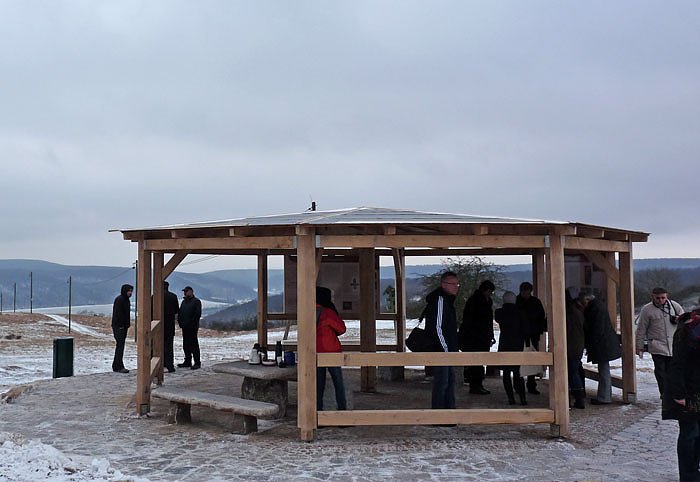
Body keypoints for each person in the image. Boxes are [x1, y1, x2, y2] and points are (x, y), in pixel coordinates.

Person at [662, 309, 700, 482]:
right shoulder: (688, 331)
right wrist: (679, 393)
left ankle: (694, 472)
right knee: (690, 433)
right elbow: (677, 364)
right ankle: (688, 476)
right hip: (688, 391)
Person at [636, 287, 685, 398]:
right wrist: (639, 346)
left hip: (673, 346)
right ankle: (664, 393)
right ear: (652, 296)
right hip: (657, 345)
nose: (661, 300)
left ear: (667, 296)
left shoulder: (674, 306)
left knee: (673, 371)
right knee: (660, 371)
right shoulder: (647, 309)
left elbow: (685, 321)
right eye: (658, 298)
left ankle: (673, 392)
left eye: (663, 297)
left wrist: (679, 319)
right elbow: (641, 329)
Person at [423, 271, 460, 410]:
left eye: (457, 284)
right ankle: (439, 413)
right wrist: (445, 349)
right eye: (453, 284)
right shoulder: (440, 300)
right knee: (442, 382)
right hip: (441, 351)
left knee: (450, 381)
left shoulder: (448, 301)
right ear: (444, 285)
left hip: (446, 350)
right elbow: (437, 327)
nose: (456, 287)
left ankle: (449, 412)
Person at [583, 293, 622, 405]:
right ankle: (604, 396)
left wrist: (591, 343)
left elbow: (597, 329)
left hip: (602, 345)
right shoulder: (599, 306)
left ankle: (604, 397)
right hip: (605, 344)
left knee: (604, 371)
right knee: (604, 370)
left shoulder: (595, 308)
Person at [460, 280, 496, 394]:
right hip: (475, 338)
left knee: (480, 362)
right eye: (490, 291)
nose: (490, 294)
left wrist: (490, 335)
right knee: (476, 363)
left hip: (483, 336)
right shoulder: (475, 301)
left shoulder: (486, 301)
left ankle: (478, 384)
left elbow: (488, 321)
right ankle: (475, 385)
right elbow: (469, 320)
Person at [316, 286, 347, 411]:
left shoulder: (307, 311)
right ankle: (342, 410)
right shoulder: (328, 312)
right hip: (331, 352)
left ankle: (317, 412)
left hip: (314, 352)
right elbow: (342, 329)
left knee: (318, 385)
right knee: (338, 383)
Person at [495, 291, 527, 405]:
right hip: (518, 344)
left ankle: (511, 398)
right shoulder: (520, 312)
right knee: (518, 373)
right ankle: (522, 398)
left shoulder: (499, 312)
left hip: (505, 344)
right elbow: (525, 329)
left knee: (506, 373)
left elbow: (498, 319)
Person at [516, 281, 547, 395]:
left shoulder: (534, 302)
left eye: (526, 291)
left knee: (532, 360)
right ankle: (519, 385)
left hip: (532, 335)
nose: (525, 293)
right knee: (519, 361)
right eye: (523, 291)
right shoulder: (518, 302)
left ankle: (531, 384)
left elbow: (541, 318)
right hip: (521, 336)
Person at [566, 289, 587, 409]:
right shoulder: (578, 311)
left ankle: (576, 398)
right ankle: (579, 396)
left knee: (572, 373)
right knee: (575, 370)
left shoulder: (568, 313)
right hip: (578, 345)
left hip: (570, 346)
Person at [177, 286, 202, 370]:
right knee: (186, 344)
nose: (185, 293)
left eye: (186, 291)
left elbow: (197, 314)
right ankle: (187, 361)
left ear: (191, 292)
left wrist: (191, 323)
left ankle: (197, 362)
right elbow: (180, 313)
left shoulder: (196, 301)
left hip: (192, 327)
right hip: (184, 327)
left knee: (194, 345)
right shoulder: (184, 302)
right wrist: (180, 322)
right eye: (184, 291)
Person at [111, 284, 133, 374]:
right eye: (129, 291)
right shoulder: (120, 300)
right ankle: (119, 366)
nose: (130, 293)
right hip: (119, 327)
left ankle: (116, 365)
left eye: (131, 291)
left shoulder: (126, 300)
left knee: (120, 346)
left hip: (123, 326)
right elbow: (118, 314)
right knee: (120, 346)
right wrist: (120, 325)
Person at [162, 281, 180, 373]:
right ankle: (169, 365)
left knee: (159, 345)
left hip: (159, 325)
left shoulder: (154, 297)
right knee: (169, 346)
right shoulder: (173, 296)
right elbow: (176, 310)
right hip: (169, 324)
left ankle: (160, 363)